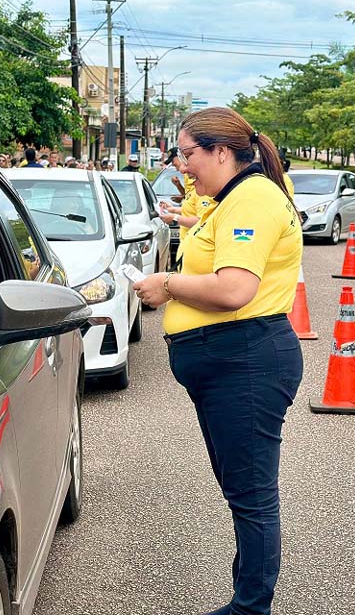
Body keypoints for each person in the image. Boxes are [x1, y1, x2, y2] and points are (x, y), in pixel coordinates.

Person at [133, 107, 303, 615]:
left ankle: (251, 608)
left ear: (221, 152)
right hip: (228, 362)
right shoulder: (227, 199)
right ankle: (247, 601)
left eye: (187, 154)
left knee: (252, 497)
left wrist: (166, 285)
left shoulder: (251, 198)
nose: (181, 166)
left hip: (245, 361)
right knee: (242, 493)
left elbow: (234, 289)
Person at [159, 147, 211, 256]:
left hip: (195, 247)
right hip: (186, 243)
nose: (180, 170)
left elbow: (201, 221)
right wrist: (172, 209)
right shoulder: (191, 187)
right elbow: (190, 208)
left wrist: (174, 218)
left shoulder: (203, 191)